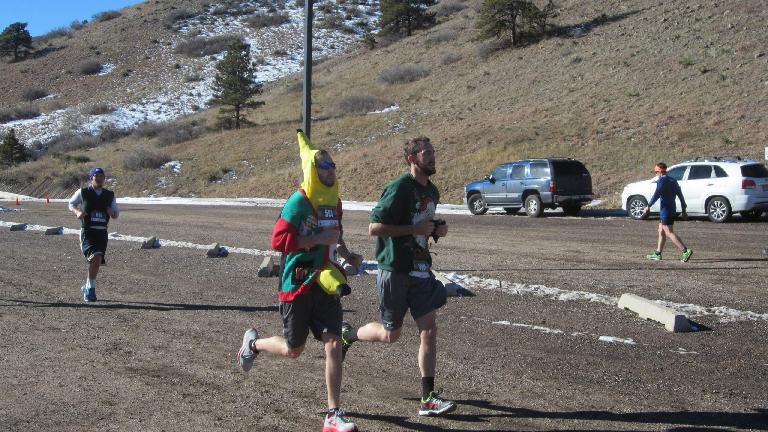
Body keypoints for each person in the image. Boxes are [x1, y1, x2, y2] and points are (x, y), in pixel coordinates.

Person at [237, 130, 361, 432]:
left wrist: (347, 253)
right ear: (312, 170)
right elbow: (278, 240)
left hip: (326, 282)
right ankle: (253, 344)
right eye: (325, 166)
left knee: (333, 344)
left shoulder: (335, 202)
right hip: (297, 283)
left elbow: (336, 234)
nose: (331, 170)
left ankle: (333, 415)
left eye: (333, 165)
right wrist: (315, 238)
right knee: (294, 349)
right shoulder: (299, 201)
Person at [340, 136, 456, 417]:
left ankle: (427, 398)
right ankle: (349, 335)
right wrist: (413, 229)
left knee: (429, 329)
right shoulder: (399, 188)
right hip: (394, 270)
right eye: (426, 153)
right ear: (412, 159)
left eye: (433, 152)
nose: (432, 157)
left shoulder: (434, 191)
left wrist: (437, 230)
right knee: (391, 334)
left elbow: (422, 227)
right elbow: (374, 228)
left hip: (420, 271)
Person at [68, 167, 119, 302]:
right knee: (95, 258)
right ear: (91, 178)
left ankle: (88, 286)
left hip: (102, 232)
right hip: (88, 231)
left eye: (102, 176)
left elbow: (116, 214)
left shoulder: (109, 195)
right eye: (96, 176)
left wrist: (111, 212)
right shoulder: (83, 192)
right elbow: (71, 203)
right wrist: (77, 212)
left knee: (96, 261)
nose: (100, 179)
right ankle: (91, 288)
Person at [643, 162, 693, 262]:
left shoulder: (662, 180)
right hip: (671, 209)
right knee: (661, 230)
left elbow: (657, 194)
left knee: (669, 232)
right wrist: (683, 210)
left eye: (656, 172)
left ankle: (685, 250)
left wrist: (648, 206)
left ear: (660, 171)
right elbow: (680, 195)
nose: (656, 174)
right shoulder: (674, 180)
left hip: (666, 211)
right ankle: (657, 254)